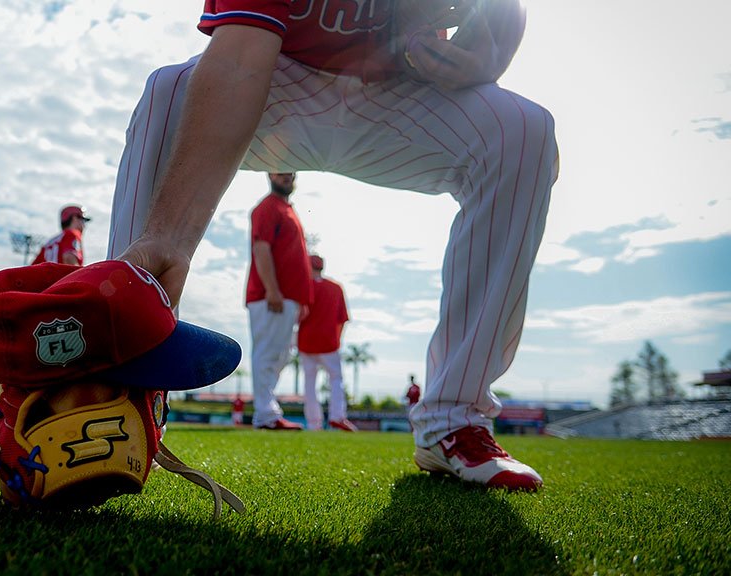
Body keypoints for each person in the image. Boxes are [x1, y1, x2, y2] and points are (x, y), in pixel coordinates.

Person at [107, 1, 557, 491]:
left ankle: (455, 418)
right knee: (167, 91)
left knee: (523, 132)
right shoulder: (271, 211)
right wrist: (168, 237)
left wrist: (481, 62)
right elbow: (239, 56)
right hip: (282, 74)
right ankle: (117, 373)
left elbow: (505, 12)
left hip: (401, 91)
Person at [243, 172, 312, 430]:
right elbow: (261, 248)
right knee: (268, 355)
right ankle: (265, 415)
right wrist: (272, 290)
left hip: (286, 299)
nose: (287, 175)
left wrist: (301, 299)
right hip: (270, 296)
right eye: (281, 170)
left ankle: (268, 411)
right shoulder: (267, 207)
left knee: (280, 355)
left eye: (291, 171)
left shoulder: (286, 209)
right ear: (270, 174)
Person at [298, 254, 355, 432]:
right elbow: (343, 319)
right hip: (329, 342)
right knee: (336, 379)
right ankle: (337, 416)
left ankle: (314, 423)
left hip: (306, 341)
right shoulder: (336, 288)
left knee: (309, 383)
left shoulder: (303, 287)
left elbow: (298, 316)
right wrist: (337, 339)